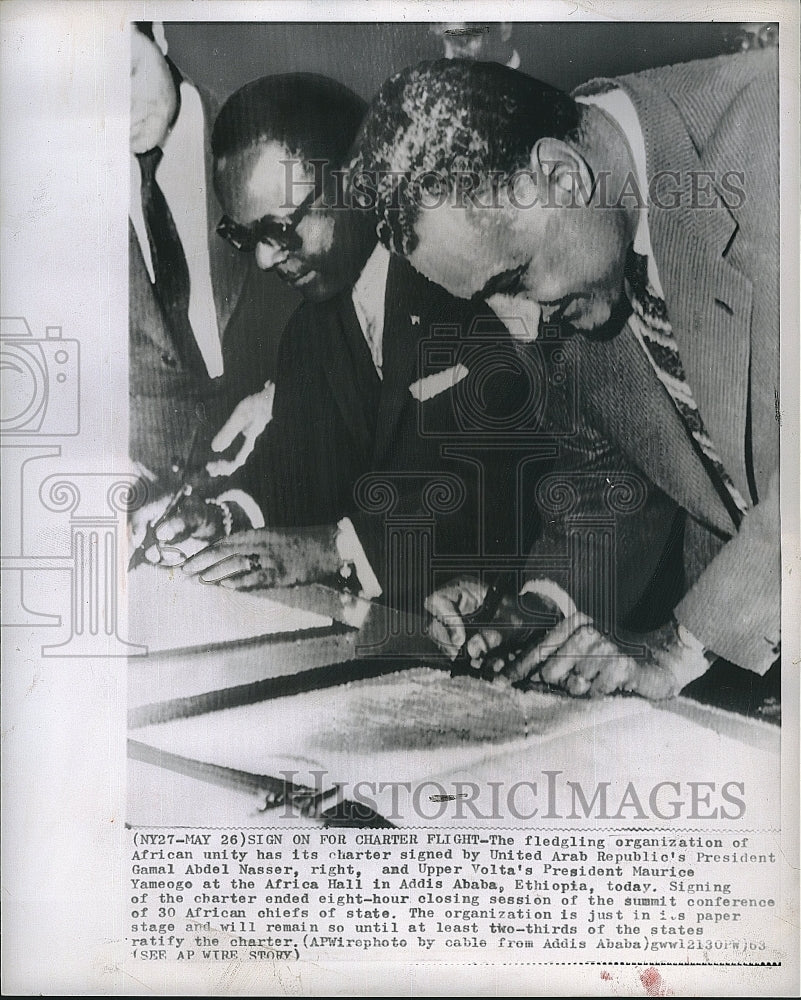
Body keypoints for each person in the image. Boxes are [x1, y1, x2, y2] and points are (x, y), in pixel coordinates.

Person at [350, 51, 780, 697]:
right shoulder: (572, 263)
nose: (519, 325)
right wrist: (536, 612)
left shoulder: (773, 128)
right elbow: (603, 477)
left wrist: (678, 646)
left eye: (512, 280)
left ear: (561, 175)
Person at [162, 73, 538, 612]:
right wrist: (228, 514)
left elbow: (496, 484)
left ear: (357, 181)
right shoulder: (313, 327)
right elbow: (299, 460)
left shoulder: (467, 280)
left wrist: (332, 550)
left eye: (280, 228)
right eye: (246, 237)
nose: (265, 259)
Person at [129, 22, 275, 541]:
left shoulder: (261, 133)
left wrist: (283, 393)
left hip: (266, 488)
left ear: (160, 34)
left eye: (128, 74)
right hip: (141, 509)